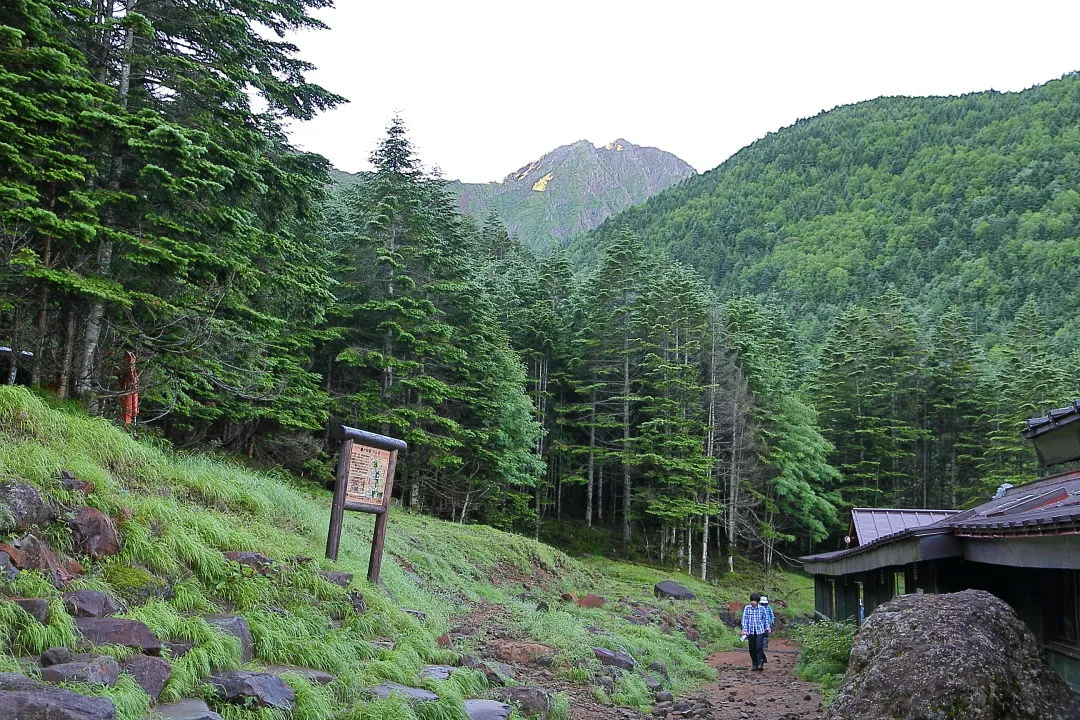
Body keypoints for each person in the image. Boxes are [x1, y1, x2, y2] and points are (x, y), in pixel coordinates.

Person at [739, 592, 771, 671]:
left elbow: (765, 619)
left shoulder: (762, 608)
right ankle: (754, 663)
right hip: (750, 631)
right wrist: (744, 629)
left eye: (755, 601)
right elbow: (744, 619)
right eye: (752, 600)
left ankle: (760, 662)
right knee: (752, 648)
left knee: (758, 647)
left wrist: (767, 627)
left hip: (760, 630)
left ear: (757, 601)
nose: (753, 602)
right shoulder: (747, 608)